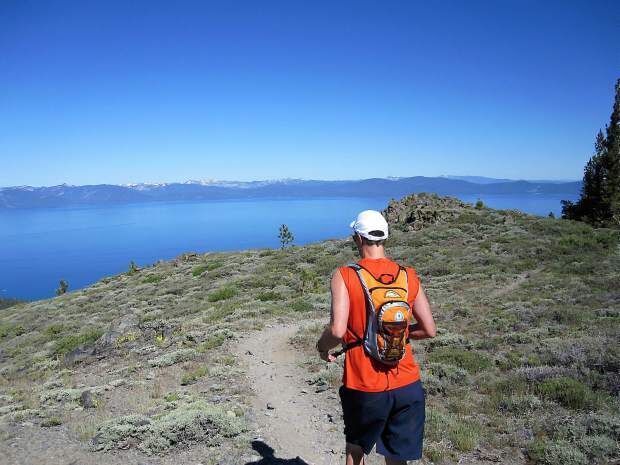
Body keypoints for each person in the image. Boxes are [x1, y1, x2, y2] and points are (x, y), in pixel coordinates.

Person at [316, 210, 436, 465]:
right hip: (407, 384)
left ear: (358, 238)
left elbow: (337, 331)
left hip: (364, 384)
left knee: (355, 450)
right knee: (396, 457)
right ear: (385, 238)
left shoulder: (345, 275)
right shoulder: (408, 275)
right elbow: (429, 329)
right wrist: (398, 334)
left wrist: (321, 347)